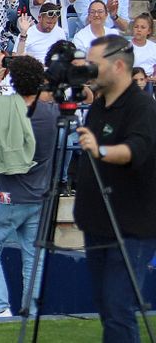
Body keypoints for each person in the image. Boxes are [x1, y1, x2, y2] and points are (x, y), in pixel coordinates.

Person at [74, 35, 156, 343]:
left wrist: (102, 151)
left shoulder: (142, 107)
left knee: (119, 307)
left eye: (95, 65)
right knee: (106, 306)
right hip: (97, 223)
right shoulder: (100, 105)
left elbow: (136, 150)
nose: (90, 71)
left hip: (131, 226)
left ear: (118, 65)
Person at [0, 51, 57, 318]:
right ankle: (30, 312)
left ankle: (0, 309)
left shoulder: (4, 110)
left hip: (10, 196)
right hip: (40, 197)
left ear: (14, 80)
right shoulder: (52, 113)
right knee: (34, 256)